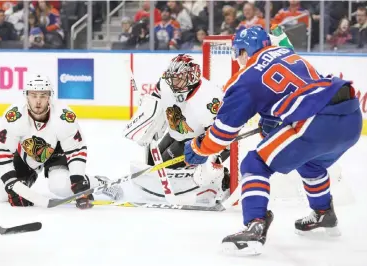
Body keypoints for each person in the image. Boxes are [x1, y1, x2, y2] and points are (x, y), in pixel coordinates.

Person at [184, 26, 362, 255]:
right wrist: (272, 122)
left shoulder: (243, 79)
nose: (237, 59)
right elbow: (305, 90)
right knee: (310, 162)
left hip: (316, 121)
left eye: (237, 53)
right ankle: (323, 213)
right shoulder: (288, 53)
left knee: (254, 163)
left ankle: (255, 226)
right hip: (350, 116)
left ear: (244, 52)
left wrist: (199, 148)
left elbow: (222, 134)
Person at [0, 74, 122, 209]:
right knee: (1, 194)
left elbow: (76, 150)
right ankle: (24, 184)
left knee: (60, 186)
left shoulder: (64, 116)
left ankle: (100, 182)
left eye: (43, 96)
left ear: (50, 96)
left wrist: (78, 181)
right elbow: (3, 153)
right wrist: (14, 186)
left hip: (56, 151)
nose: (38, 101)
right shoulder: (14, 116)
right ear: (26, 96)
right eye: (33, 95)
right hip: (26, 154)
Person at [123, 54, 231, 206]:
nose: (173, 83)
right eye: (172, 78)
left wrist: (212, 159)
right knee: (153, 164)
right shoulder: (166, 83)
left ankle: (223, 180)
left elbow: (220, 135)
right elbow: (155, 102)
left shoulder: (209, 99)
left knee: (167, 170)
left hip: (198, 141)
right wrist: (146, 120)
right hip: (177, 133)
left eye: (178, 79)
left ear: (192, 77)